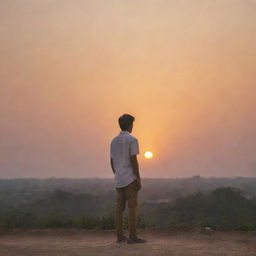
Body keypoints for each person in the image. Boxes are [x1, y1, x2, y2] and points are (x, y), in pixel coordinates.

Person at [110, 114, 146, 244]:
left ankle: (119, 236)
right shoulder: (132, 140)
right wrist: (138, 178)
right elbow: (133, 160)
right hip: (130, 178)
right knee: (132, 208)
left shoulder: (113, 141)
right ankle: (133, 236)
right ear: (130, 125)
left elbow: (112, 161)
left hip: (119, 179)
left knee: (119, 209)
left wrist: (117, 174)